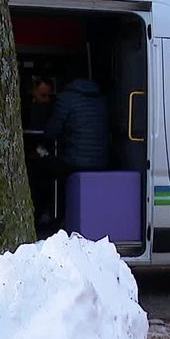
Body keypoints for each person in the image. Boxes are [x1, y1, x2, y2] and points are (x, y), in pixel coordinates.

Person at [34, 79, 109, 234]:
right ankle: (59, 217)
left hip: (74, 163)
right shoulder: (101, 98)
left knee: (40, 169)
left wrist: (41, 146)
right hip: (101, 161)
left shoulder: (66, 98)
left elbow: (52, 130)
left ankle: (46, 216)